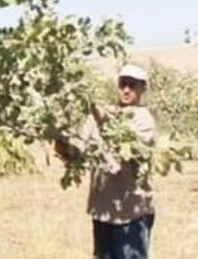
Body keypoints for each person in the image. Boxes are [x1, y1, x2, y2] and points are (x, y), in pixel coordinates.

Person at [55, 64, 157, 259]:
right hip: (103, 210)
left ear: (142, 88)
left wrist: (102, 120)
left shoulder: (143, 120)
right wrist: (62, 144)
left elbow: (126, 150)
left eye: (132, 85)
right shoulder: (99, 115)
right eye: (122, 84)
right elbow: (80, 150)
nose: (126, 90)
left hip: (131, 213)